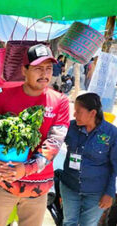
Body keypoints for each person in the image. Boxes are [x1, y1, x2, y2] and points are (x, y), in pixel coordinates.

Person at [0, 44, 70, 226]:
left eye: (48, 68)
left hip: (37, 187)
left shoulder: (60, 101)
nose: (44, 74)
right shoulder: (4, 97)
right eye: (38, 69)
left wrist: (26, 168)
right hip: (3, 182)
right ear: (24, 70)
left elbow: (54, 143)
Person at [60, 93, 117, 226]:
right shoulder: (70, 128)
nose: (74, 115)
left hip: (96, 192)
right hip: (70, 186)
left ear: (92, 113)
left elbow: (115, 167)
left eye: (78, 112)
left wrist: (109, 193)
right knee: (69, 222)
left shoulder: (111, 133)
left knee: (88, 224)